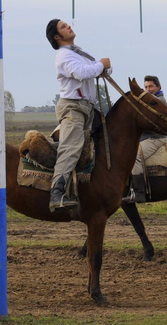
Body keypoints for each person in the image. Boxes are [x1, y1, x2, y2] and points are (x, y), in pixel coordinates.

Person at [45, 19, 112, 212]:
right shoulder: (64, 56)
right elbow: (83, 72)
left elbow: (98, 67)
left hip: (85, 108)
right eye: (64, 27)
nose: (69, 27)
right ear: (58, 37)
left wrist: (102, 66)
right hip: (73, 108)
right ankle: (56, 194)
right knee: (71, 147)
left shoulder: (78, 52)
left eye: (67, 24)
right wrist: (101, 65)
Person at [123, 75, 167, 204]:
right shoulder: (150, 101)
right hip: (146, 137)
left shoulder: (159, 101)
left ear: (158, 87)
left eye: (151, 86)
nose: (148, 89)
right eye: (146, 87)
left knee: (135, 157)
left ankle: (139, 193)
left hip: (155, 138)